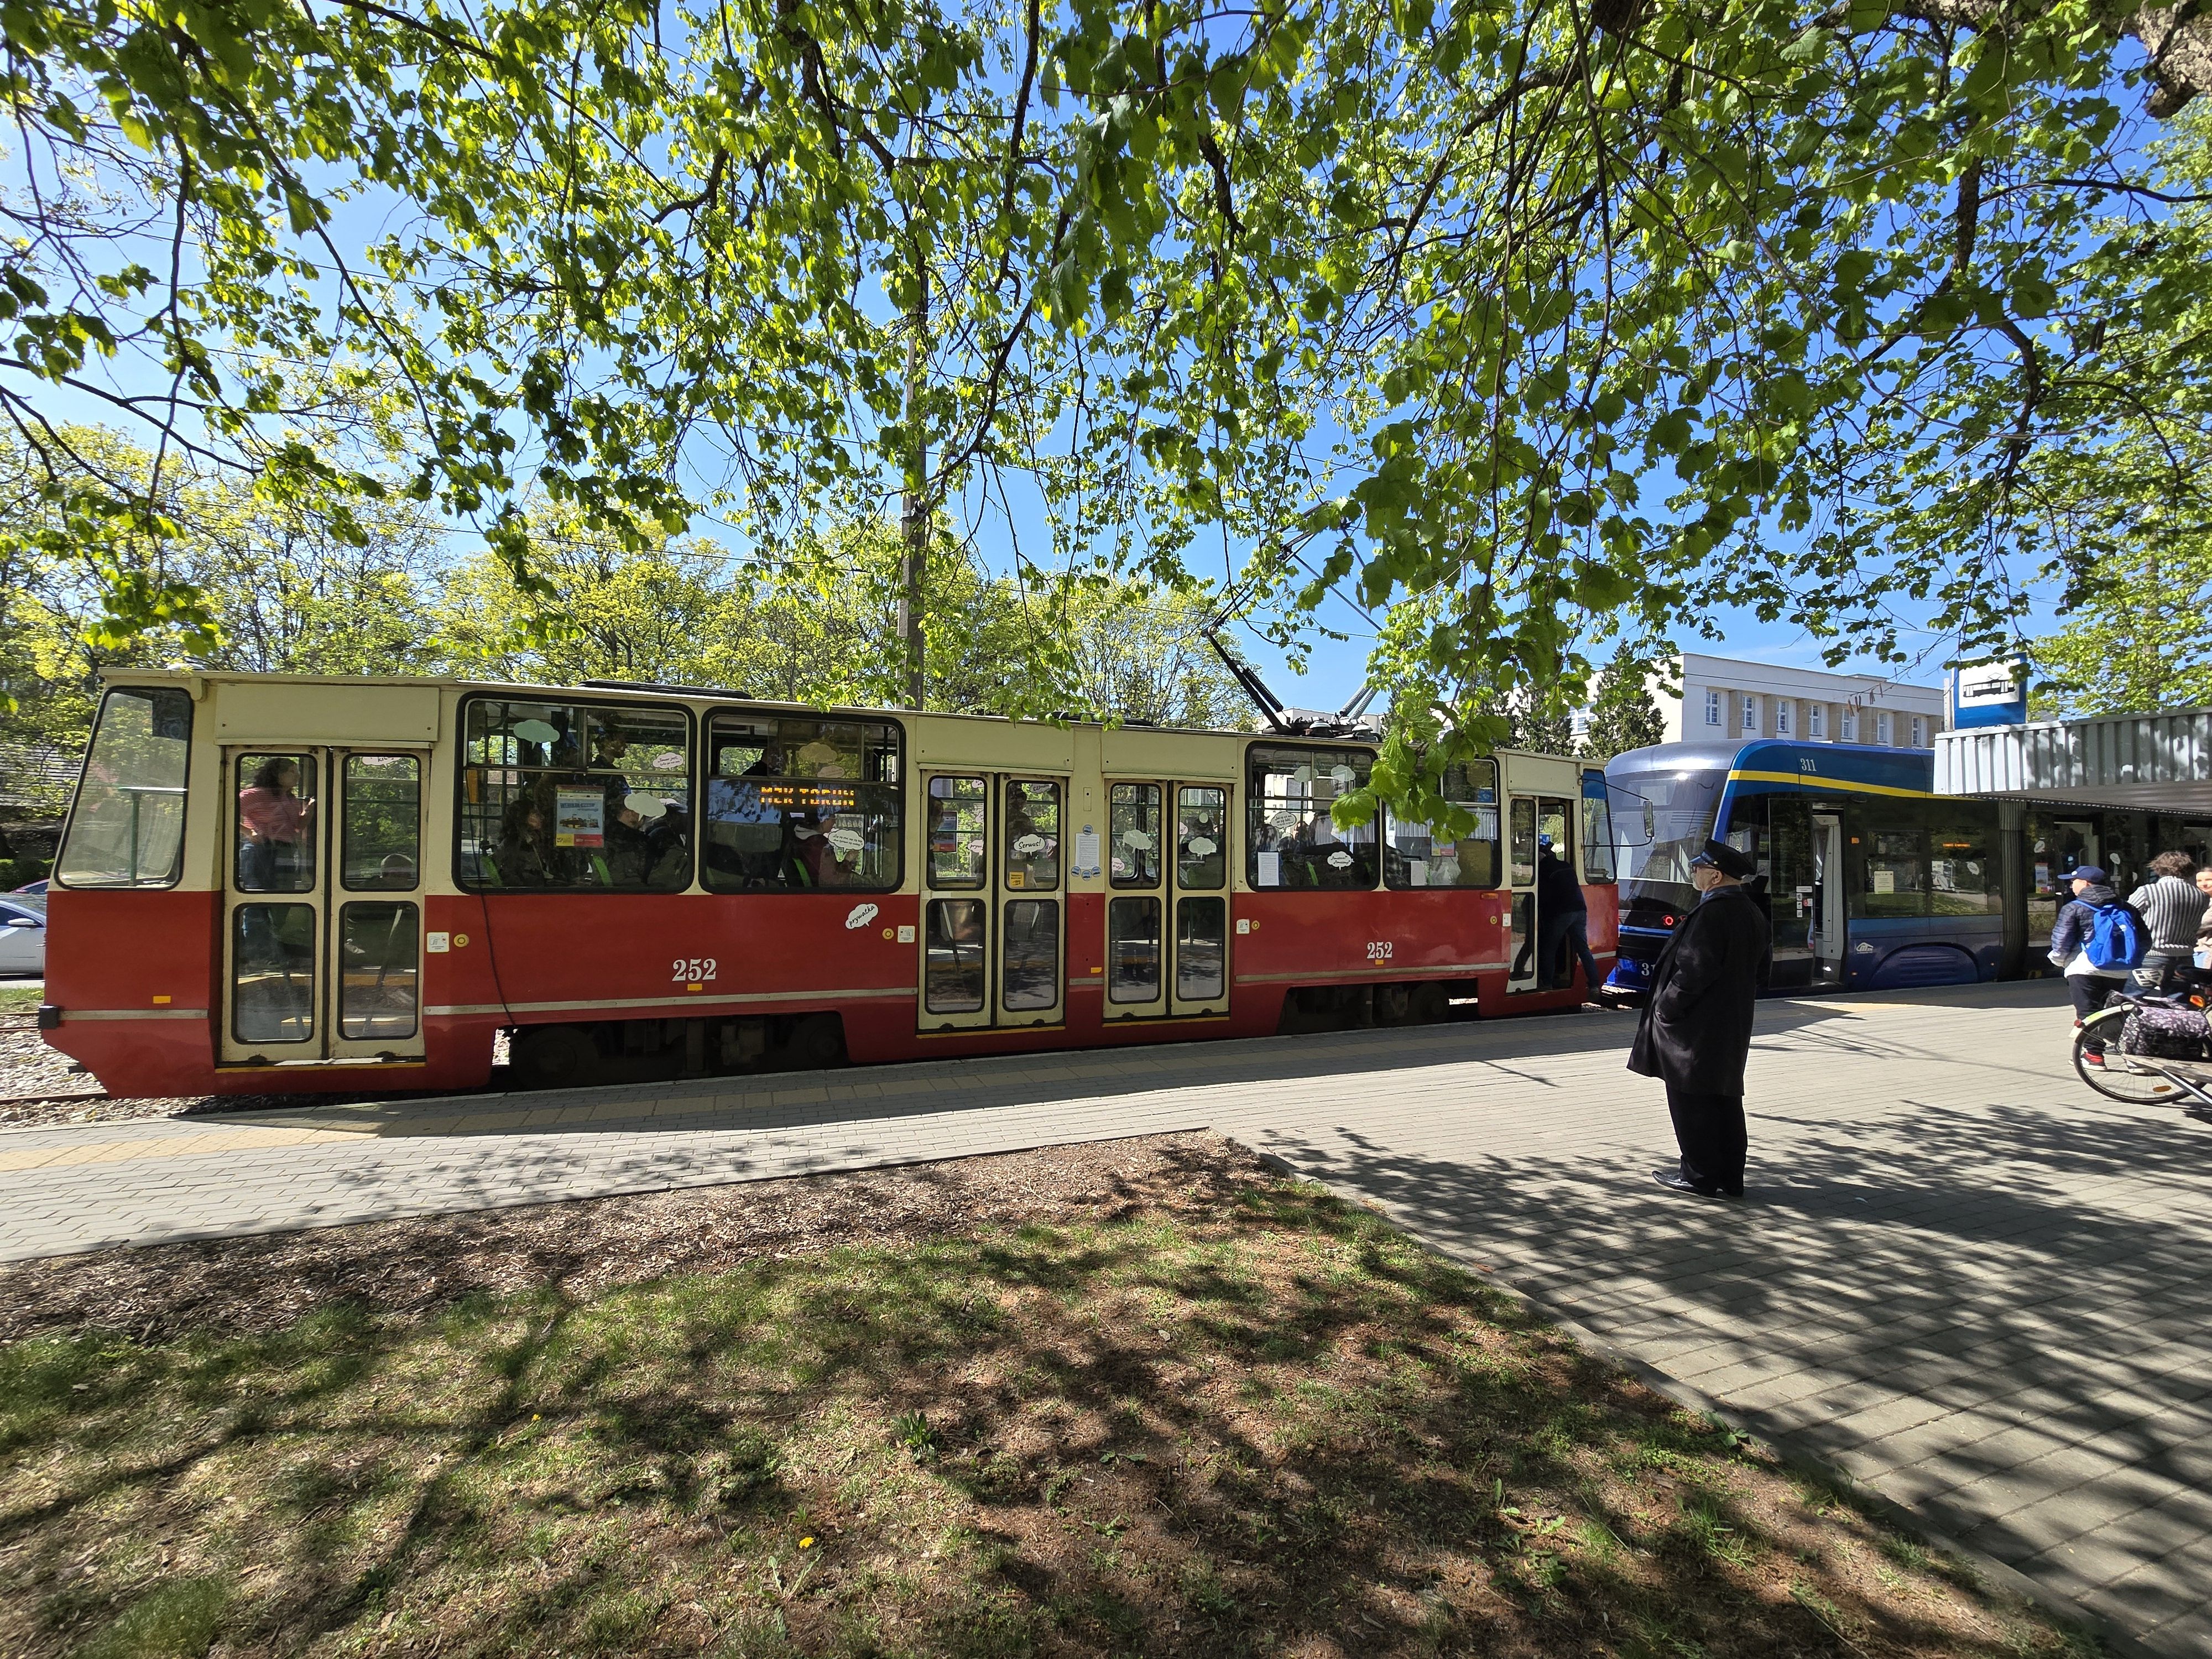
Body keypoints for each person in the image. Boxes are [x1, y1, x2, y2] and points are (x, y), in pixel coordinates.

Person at [1628, 837, 1771, 1198]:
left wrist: (1666, 1008)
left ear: (1716, 876)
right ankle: (1731, 1177)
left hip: (1695, 1026)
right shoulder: (1752, 911)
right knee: (1724, 1097)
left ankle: (1699, 1176)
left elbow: (1694, 970)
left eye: (1698, 868)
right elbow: (1762, 970)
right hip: (1732, 1022)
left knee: (1690, 1098)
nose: (1693, 872)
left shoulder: (1712, 912)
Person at [2049, 865, 2140, 1060]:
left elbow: (2061, 941)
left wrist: (2060, 961)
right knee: (2117, 1012)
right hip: (2122, 970)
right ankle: (2133, 1058)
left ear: (2086, 883)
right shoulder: (2126, 907)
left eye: (2074, 881)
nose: (2071, 885)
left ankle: (2094, 1056)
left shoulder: (2073, 907)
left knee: (2088, 1013)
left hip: (2084, 969)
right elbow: (2144, 938)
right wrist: (2131, 961)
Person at [1533, 835, 1601, 997]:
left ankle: (1547, 983)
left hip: (1561, 913)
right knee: (1583, 949)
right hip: (1580, 911)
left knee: (1549, 948)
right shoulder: (1566, 866)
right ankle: (1594, 985)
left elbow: (1543, 896)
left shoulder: (1543, 870)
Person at [2127, 852, 2206, 992]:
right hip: (2185, 959)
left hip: (2153, 956)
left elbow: (2127, 917)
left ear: (2159, 868)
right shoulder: (2201, 895)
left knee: (2132, 998)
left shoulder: (2147, 891)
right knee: (2178, 1001)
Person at [237, 756, 314, 891]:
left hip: (286, 849)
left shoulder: (290, 798)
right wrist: (249, 832)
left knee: (285, 891)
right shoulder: (253, 795)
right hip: (261, 848)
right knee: (259, 893)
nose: (298, 776)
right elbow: (227, 814)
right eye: (292, 771)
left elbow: (298, 826)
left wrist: (309, 810)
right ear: (278, 775)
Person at [491, 796, 551, 886]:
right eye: (536, 814)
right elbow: (507, 874)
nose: (542, 817)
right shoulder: (515, 842)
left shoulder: (531, 839)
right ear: (523, 817)